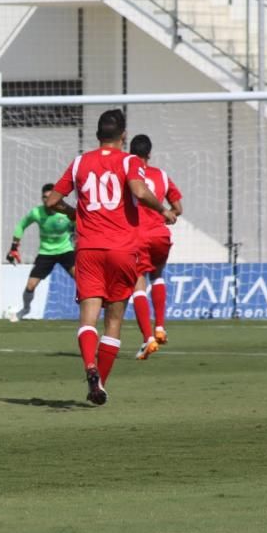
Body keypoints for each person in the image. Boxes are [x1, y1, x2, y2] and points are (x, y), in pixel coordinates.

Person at [44, 110, 176, 405]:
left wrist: (74, 212)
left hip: (88, 249)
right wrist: (163, 210)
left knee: (87, 317)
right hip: (122, 250)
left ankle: (90, 366)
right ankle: (98, 384)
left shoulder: (80, 162)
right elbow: (140, 192)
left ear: (97, 135)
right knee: (113, 321)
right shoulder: (129, 160)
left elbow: (52, 200)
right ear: (124, 135)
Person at [128, 134, 184, 360]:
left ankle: (147, 338)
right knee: (158, 276)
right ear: (149, 154)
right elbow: (178, 207)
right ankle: (160, 326)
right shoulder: (161, 174)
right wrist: (169, 215)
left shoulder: (127, 173)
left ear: (131, 154)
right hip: (160, 234)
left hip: (136, 235)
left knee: (137, 283)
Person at [6, 182, 76, 322]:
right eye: (44, 197)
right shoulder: (36, 213)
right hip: (46, 253)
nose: (47, 200)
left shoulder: (67, 213)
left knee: (82, 281)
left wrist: (76, 236)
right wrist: (14, 247)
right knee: (30, 285)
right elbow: (21, 225)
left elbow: (78, 225)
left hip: (66, 251)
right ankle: (26, 309)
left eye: (50, 196)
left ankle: (92, 310)